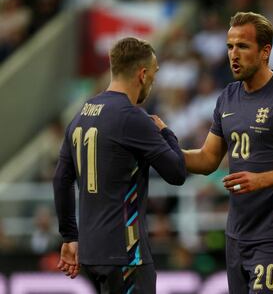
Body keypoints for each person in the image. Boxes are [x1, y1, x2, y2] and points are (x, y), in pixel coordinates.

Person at [183, 12, 273, 294]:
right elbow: (208, 159)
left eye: (243, 46)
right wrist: (161, 148)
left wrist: (261, 180)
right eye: (229, 47)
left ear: (265, 51)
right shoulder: (227, 97)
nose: (233, 55)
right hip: (237, 233)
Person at [53, 37, 186, 294]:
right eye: (154, 75)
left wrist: (69, 237)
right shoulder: (131, 117)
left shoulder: (83, 113)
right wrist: (166, 131)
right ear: (142, 74)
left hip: (92, 253)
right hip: (127, 253)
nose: (153, 82)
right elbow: (177, 172)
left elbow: (61, 180)